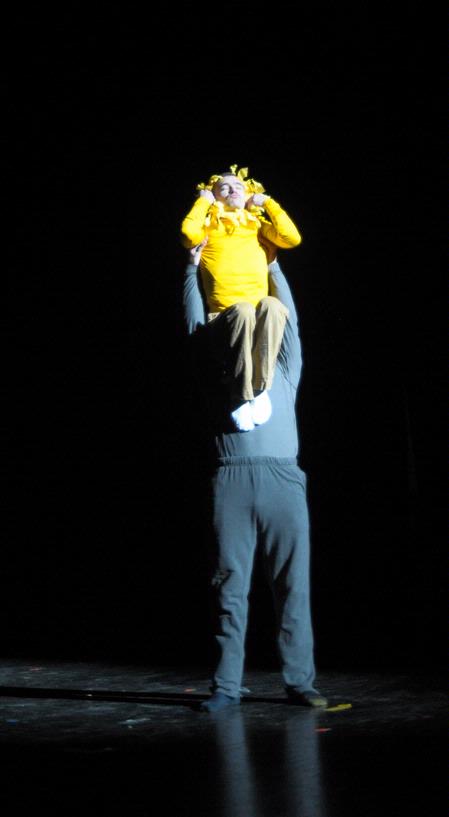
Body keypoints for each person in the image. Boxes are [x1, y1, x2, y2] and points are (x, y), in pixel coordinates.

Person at [182, 226, 328, 712]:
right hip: (233, 479)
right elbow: (196, 328)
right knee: (230, 585)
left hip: (284, 478)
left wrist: (271, 265)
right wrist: (192, 268)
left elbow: (291, 324)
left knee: (293, 585)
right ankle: (225, 687)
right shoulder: (216, 380)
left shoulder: (285, 372)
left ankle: (300, 682)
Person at [180, 165, 301, 431]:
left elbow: (291, 238)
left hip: (258, 318)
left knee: (273, 306)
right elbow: (188, 234)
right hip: (223, 318)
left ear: (248, 193)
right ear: (215, 196)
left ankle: (254, 391)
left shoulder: (256, 226)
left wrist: (267, 202)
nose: (232, 189)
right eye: (224, 187)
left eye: (238, 186)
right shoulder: (208, 228)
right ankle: (244, 395)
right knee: (244, 310)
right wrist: (202, 203)